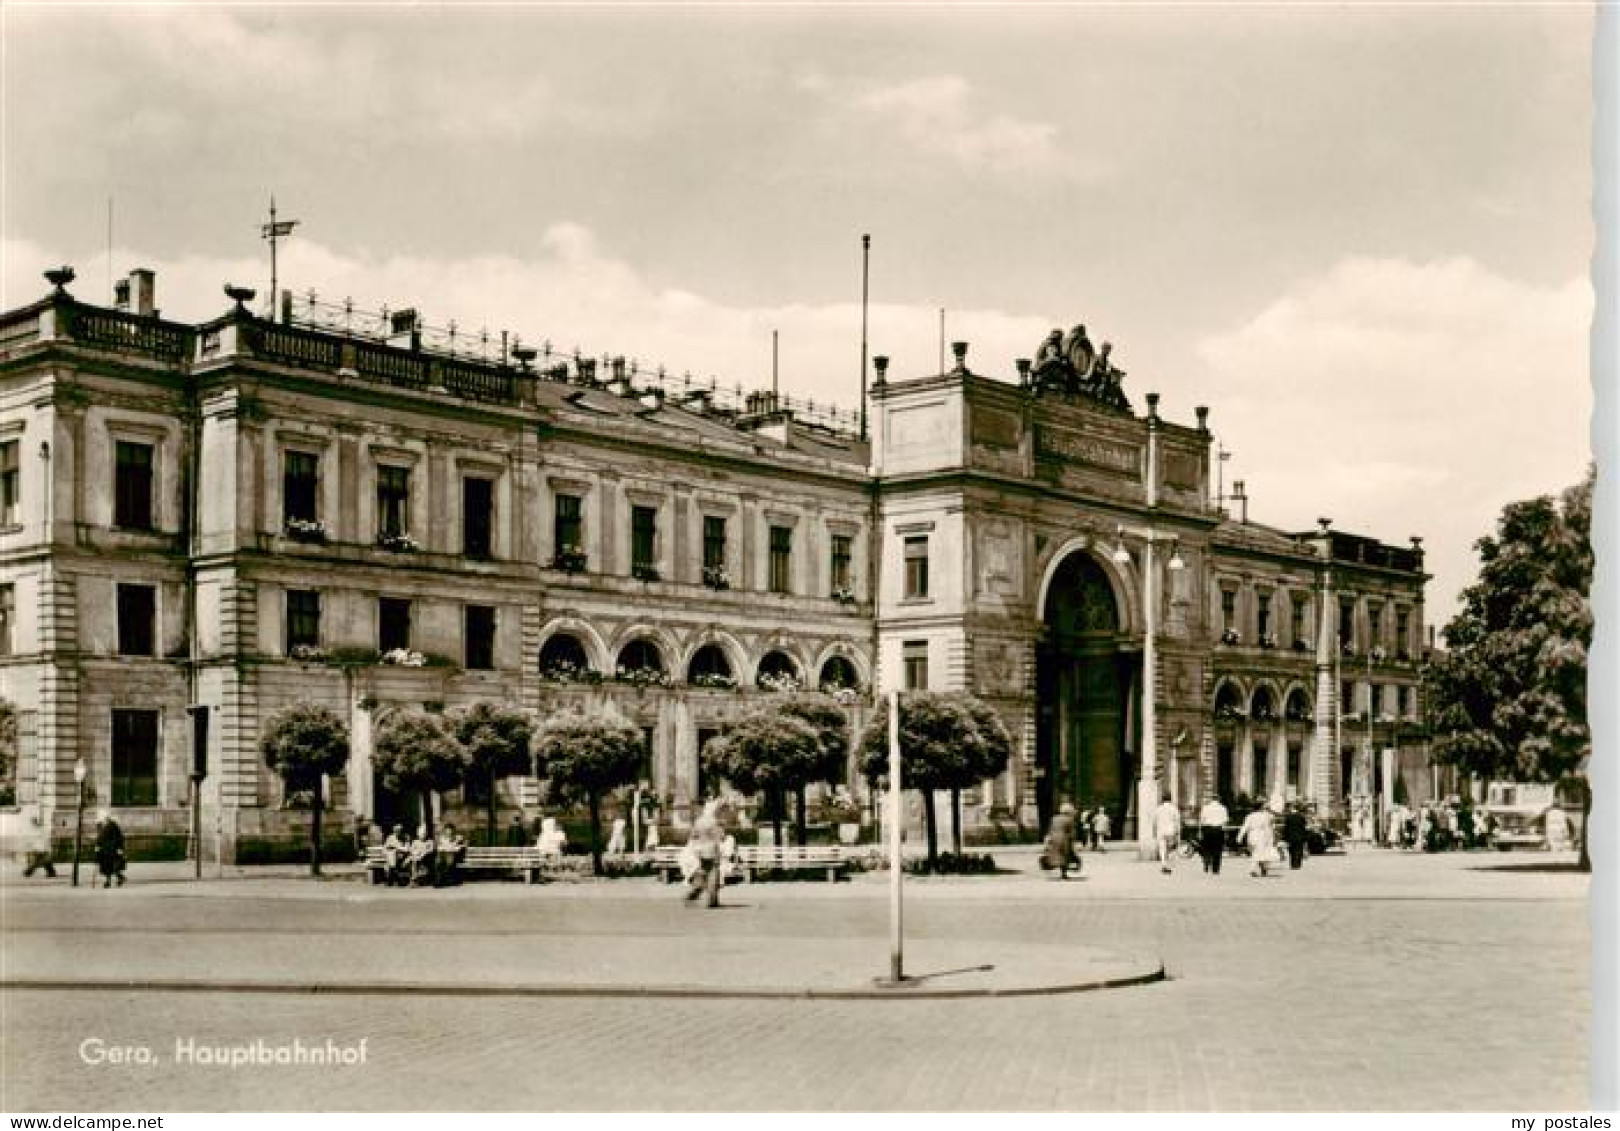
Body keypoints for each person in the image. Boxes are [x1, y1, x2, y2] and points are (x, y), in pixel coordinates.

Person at [685, 799, 725, 907]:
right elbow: (721, 837)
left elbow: (693, 836)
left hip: (700, 851)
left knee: (703, 871)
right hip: (712, 851)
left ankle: (695, 889)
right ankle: (712, 899)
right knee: (713, 873)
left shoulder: (699, 821)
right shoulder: (714, 822)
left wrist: (695, 848)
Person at [1042, 802, 1080, 880]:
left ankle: (1054, 868)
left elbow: (1051, 828)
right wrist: (1074, 840)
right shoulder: (1069, 819)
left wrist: (1048, 838)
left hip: (1054, 837)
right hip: (1063, 838)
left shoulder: (1054, 818)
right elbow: (1071, 832)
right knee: (1065, 855)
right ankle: (1064, 874)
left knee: (1056, 854)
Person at [1239, 803, 1276, 878]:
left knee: (1255, 853)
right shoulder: (1264, 817)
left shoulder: (1249, 816)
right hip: (1261, 836)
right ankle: (1259, 868)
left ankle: (1258, 868)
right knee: (1260, 853)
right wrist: (1270, 838)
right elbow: (1267, 828)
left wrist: (1240, 836)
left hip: (1252, 835)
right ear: (1261, 808)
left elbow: (1245, 826)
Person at [93, 810, 126, 888]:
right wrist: (97, 845)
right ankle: (109, 881)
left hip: (112, 849)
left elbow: (119, 837)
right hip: (104, 850)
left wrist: (119, 848)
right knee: (106, 867)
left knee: (114, 866)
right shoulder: (100, 825)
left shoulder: (113, 825)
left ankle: (119, 877)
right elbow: (99, 838)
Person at [1197, 794, 1229, 875]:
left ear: (1211, 799)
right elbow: (1224, 822)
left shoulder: (1206, 808)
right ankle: (1215, 868)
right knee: (1217, 849)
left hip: (1207, 829)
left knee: (1207, 848)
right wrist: (1225, 833)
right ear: (1218, 799)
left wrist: (1200, 831)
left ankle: (1206, 861)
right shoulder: (1223, 808)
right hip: (1218, 830)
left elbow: (1201, 820)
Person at [22, 810, 56, 878]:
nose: (34, 822)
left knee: (44, 861)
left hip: (43, 847)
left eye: (35, 821)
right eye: (33, 821)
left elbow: (46, 838)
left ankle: (28, 872)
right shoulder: (33, 830)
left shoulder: (41, 829)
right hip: (38, 848)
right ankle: (29, 872)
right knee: (41, 861)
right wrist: (29, 846)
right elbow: (30, 840)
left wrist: (48, 846)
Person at [1152, 796, 1180, 874]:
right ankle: (1170, 866)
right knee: (1170, 849)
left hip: (1161, 831)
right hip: (1171, 831)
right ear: (1170, 799)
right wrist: (1178, 832)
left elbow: (1154, 822)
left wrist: (1154, 832)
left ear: (1162, 800)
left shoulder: (1158, 809)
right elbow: (1177, 821)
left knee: (1162, 849)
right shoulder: (1174, 809)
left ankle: (1164, 864)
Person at [1281, 805, 1309, 870]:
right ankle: (1298, 864)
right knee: (1299, 849)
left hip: (1290, 836)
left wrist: (1284, 837)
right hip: (1299, 836)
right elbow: (1304, 828)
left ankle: (1293, 864)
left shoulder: (1288, 817)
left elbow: (1286, 828)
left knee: (1291, 850)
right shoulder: (1301, 817)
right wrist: (1305, 836)